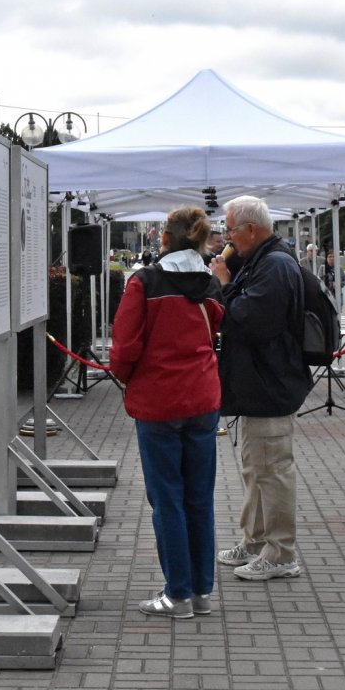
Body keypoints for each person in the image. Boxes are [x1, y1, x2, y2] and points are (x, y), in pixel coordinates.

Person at [110, 206, 225, 619]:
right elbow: (217, 331)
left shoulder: (145, 282)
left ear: (164, 238)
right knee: (200, 497)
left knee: (167, 499)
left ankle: (177, 593)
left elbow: (125, 345)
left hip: (159, 400)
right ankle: (201, 591)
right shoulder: (211, 284)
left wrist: (123, 377)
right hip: (202, 397)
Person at [209, 195, 311, 580]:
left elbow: (244, 320)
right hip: (260, 385)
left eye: (231, 229)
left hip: (271, 385)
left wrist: (224, 285)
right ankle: (254, 541)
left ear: (252, 229)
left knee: (272, 470)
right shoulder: (263, 261)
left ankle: (282, 553)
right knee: (256, 469)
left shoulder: (274, 266)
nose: (227, 238)